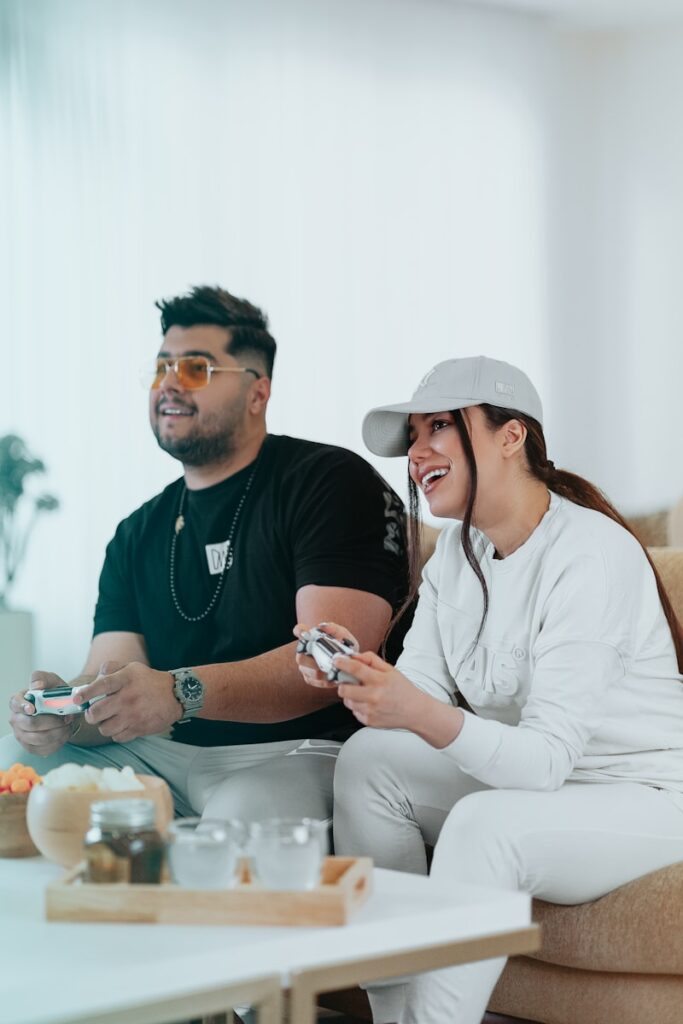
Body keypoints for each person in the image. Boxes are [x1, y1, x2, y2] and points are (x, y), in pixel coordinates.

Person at [296, 356, 683, 1024]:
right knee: (366, 761)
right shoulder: (456, 553)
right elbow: (417, 691)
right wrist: (358, 676)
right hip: (554, 790)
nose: (416, 452)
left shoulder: (589, 553)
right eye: (413, 436)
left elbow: (543, 762)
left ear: (511, 437)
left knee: (484, 826)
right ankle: (394, 1014)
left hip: (646, 796)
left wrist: (415, 710)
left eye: (439, 427)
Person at [2, 285, 408, 823]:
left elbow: (335, 665)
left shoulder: (328, 482)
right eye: (161, 367)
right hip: (164, 755)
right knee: (32, 778)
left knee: (241, 817)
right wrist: (65, 712)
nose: (168, 383)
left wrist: (178, 691)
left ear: (257, 393)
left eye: (195, 369)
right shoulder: (137, 532)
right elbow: (112, 675)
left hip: (299, 751)